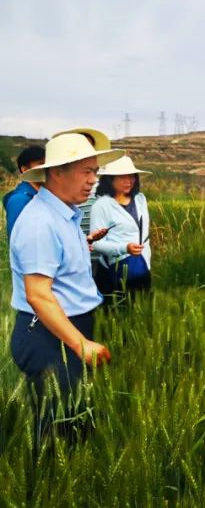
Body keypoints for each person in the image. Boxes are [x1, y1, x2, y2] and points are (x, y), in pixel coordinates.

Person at [8, 132, 124, 444]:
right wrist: (79, 343)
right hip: (48, 333)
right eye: (86, 172)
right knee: (55, 429)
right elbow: (38, 294)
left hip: (65, 328)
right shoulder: (40, 222)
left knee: (73, 420)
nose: (93, 180)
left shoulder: (65, 215)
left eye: (95, 172)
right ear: (57, 172)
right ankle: (43, 489)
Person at [89, 156, 153, 305]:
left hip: (142, 267)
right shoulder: (102, 205)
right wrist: (124, 248)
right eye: (123, 176)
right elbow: (96, 243)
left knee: (141, 314)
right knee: (116, 314)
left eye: (131, 176)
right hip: (115, 272)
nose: (128, 180)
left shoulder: (140, 199)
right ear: (110, 179)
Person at [3, 145, 45, 237]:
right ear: (25, 170)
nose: (46, 169)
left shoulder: (43, 195)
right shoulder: (19, 200)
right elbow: (18, 240)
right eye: (41, 164)